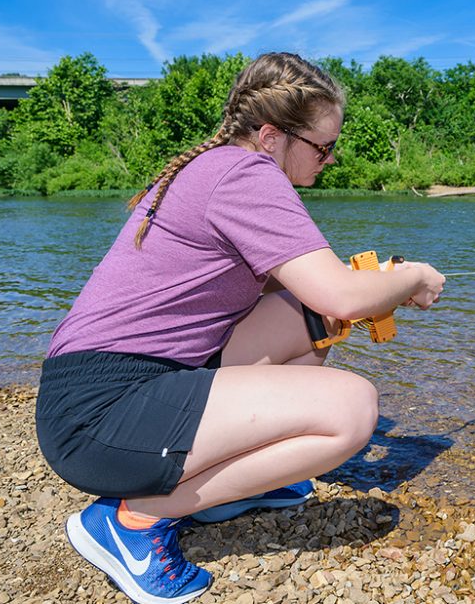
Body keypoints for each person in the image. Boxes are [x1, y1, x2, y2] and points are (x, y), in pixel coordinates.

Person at [35, 52, 446, 604]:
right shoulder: (245, 175)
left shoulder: (220, 166)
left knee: (310, 317)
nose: (330, 159)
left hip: (120, 387)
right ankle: (134, 519)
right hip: (99, 415)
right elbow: (342, 294)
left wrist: (370, 286)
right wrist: (414, 277)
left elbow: (320, 297)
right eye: (323, 147)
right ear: (272, 136)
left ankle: (238, 485)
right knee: (352, 410)